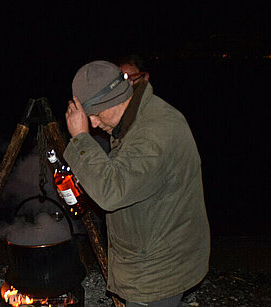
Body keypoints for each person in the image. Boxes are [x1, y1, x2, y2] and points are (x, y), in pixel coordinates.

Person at [64, 60, 210, 306]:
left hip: (160, 270)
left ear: (115, 99)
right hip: (152, 251)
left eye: (95, 116)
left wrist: (80, 138)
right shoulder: (133, 118)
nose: (95, 124)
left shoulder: (154, 133)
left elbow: (112, 192)